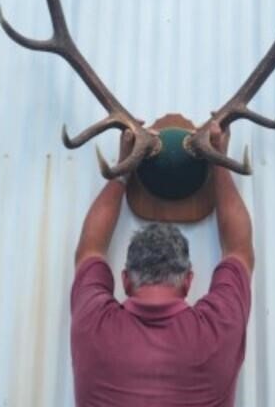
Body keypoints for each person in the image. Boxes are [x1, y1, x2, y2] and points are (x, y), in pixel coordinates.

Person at [70, 122, 254, 407]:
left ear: (126, 280)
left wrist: (122, 171)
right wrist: (219, 161)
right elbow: (239, 251)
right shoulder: (217, 329)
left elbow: (90, 250)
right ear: (188, 281)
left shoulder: (94, 324)